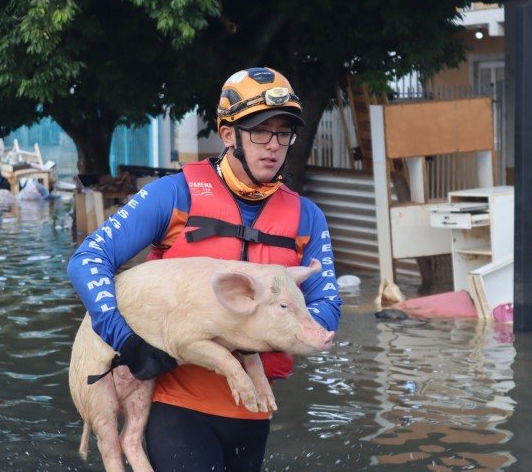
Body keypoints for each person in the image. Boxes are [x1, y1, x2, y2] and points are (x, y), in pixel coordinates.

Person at [68, 67, 342, 471]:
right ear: (228, 134)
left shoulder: (308, 218)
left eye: (284, 133)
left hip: (252, 415)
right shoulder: (174, 194)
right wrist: (126, 341)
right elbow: (88, 259)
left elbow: (326, 309)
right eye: (260, 131)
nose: (274, 145)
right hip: (176, 405)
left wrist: (253, 335)